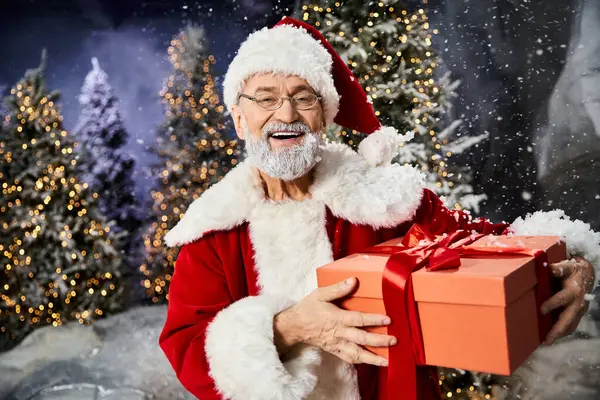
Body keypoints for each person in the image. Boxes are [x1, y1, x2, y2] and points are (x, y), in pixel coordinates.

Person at [158, 17, 599, 400]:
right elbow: (188, 350)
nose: (286, 113)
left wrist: (572, 259)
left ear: (324, 116)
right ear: (239, 118)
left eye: (303, 96)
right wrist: (288, 328)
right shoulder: (213, 231)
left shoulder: (387, 202)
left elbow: (491, 245)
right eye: (266, 98)